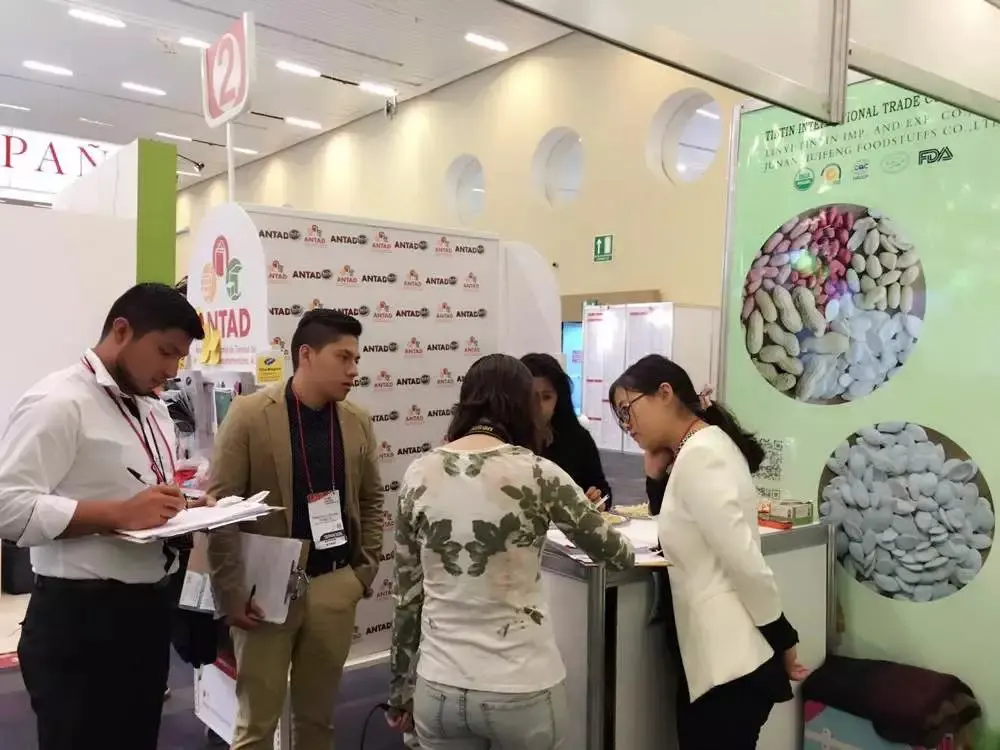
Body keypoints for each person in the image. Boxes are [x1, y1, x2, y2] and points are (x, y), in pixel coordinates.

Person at [386, 353, 635, 748]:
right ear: (525, 406)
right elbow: (618, 554)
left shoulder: (419, 473)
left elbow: (406, 598)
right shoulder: (540, 473)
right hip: (521, 685)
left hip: (439, 686)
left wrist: (400, 691)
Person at [0, 283, 205, 750]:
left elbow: (140, 489)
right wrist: (118, 514)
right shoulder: (58, 401)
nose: (171, 370)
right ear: (121, 330)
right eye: (165, 352)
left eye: (180, 358)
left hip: (146, 610)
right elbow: (6, 505)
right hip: (80, 620)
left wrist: (185, 505)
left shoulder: (152, 408)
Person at [608, 354, 807, 750]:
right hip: (718, 663)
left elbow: (743, 561)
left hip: (731, 665)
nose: (627, 425)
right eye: (620, 417)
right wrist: (655, 478)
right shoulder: (695, 450)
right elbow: (682, 527)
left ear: (665, 393)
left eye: (627, 410)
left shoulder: (703, 454)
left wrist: (783, 639)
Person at [206, 309, 384, 750]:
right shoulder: (250, 415)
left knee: (317, 721)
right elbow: (222, 509)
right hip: (264, 593)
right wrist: (230, 593)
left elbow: (371, 498)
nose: (353, 370)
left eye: (356, 359)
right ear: (306, 354)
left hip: (334, 583)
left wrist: (363, 571)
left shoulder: (356, 420)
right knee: (256, 725)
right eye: (343, 357)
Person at [521, 353, 613, 507]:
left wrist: (597, 500)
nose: (539, 406)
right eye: (531, 397)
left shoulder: (578, 439)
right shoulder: (505, 439)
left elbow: (603, 491)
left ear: (559, 398)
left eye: (547, 397)